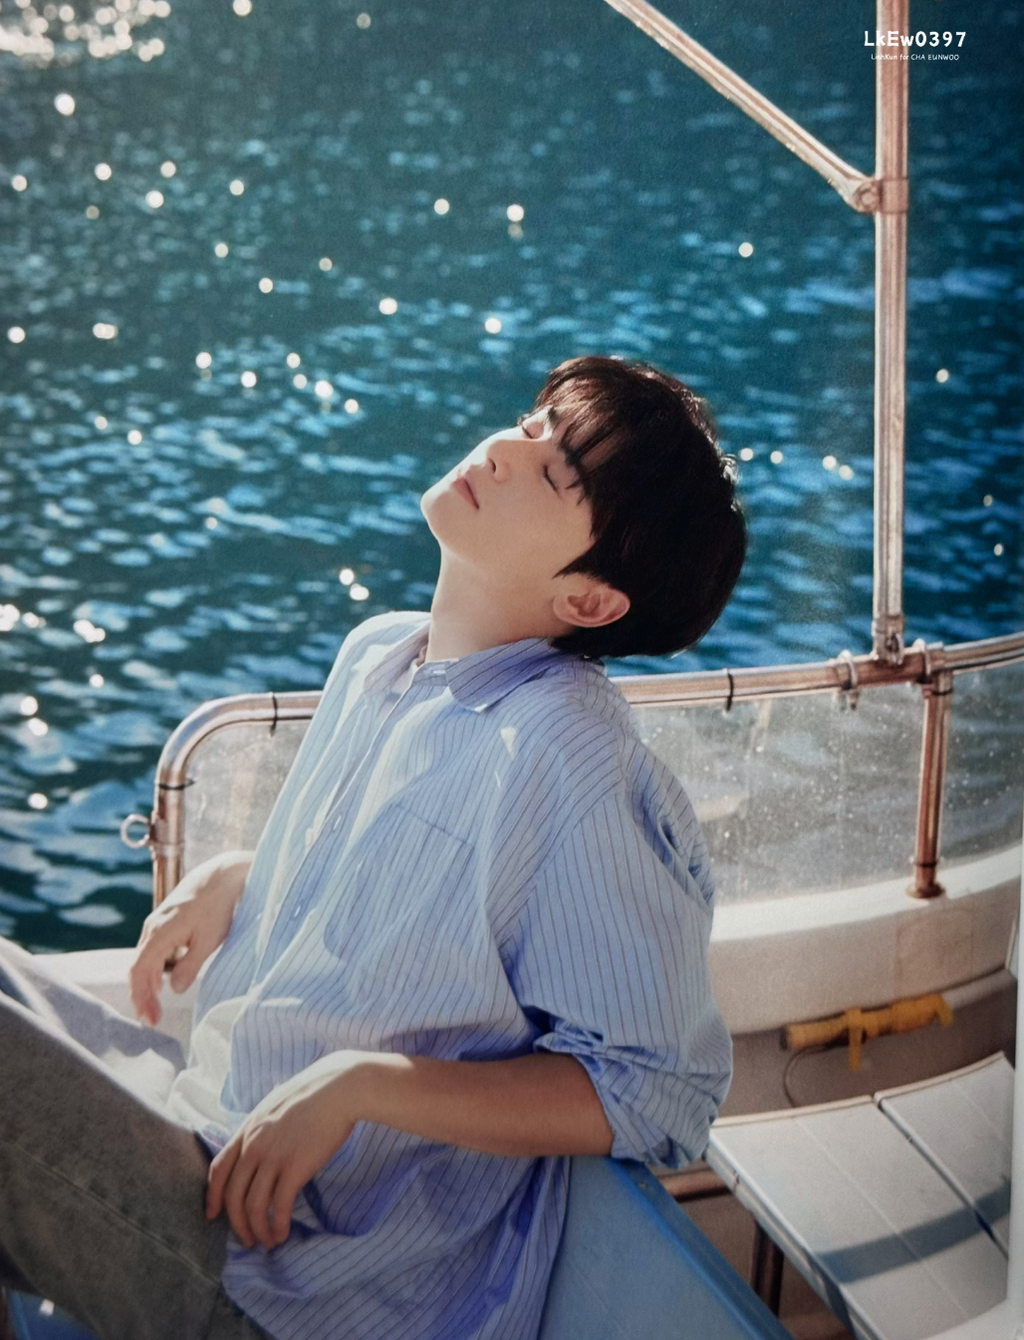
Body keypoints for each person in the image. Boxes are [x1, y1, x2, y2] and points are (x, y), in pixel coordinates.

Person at [0, 356, 746, 1340]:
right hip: (201, 1110)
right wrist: (242, 877)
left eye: (553, 471)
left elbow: (657, 1091)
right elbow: (408, 891)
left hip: (294, 1271)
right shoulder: (379, 656)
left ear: (592, 602)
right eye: (531, 423)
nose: (507, 448)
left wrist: (364, 1086)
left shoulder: (568, 754)